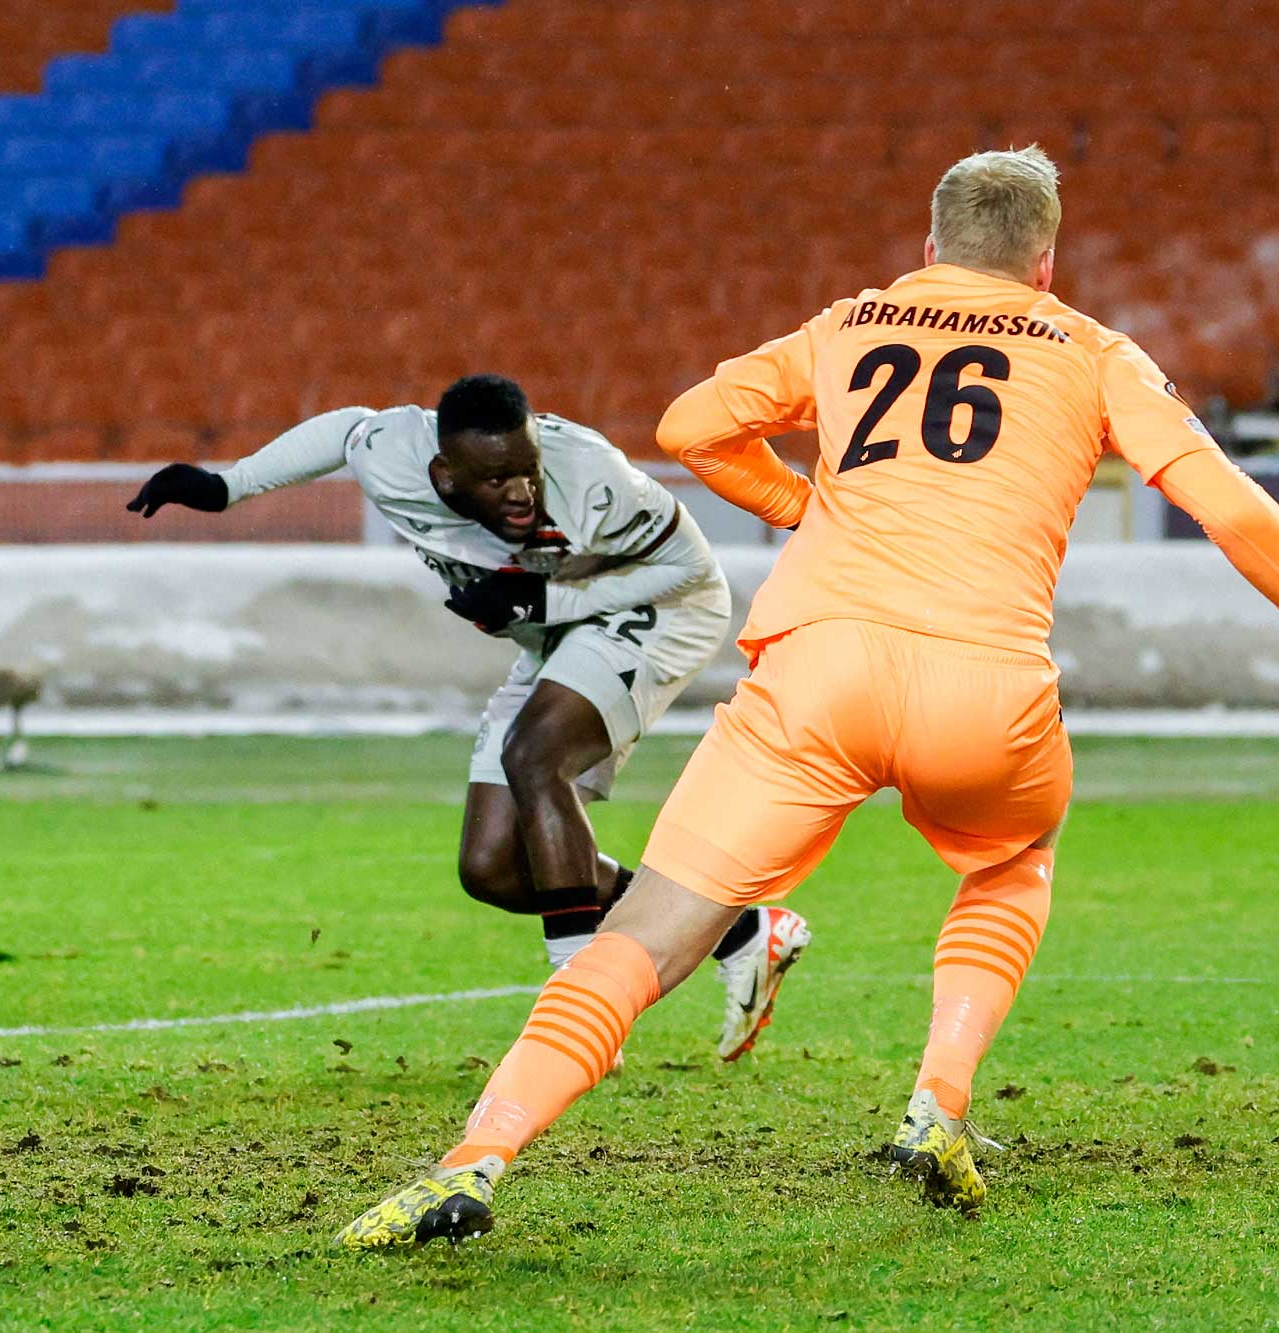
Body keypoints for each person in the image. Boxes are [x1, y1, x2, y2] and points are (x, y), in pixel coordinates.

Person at [337, 149, 1279, 1249]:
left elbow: (690, 425)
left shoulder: (850, 323)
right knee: (1006, 864)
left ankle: (475, 1159)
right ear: (1044, 263)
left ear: (928, 249)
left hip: (814, 671)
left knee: (644, 937)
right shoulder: (1090, 347)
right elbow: (1221, 499)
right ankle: (937, 1102)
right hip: (981, 686)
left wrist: (802, 506)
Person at [125, 374, 812, 1062]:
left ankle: (578, 1006)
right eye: (495, 479)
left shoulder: (590, 474)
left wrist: (541, 601)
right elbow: (344, 430)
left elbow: (688, 567)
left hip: (660, 612)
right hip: (554, 627)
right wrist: (227, 486)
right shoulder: (394, 452)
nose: (519, 492)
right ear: (445, 474)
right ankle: (740, 933)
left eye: (526, 469)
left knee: (535, 755)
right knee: (492, 867)